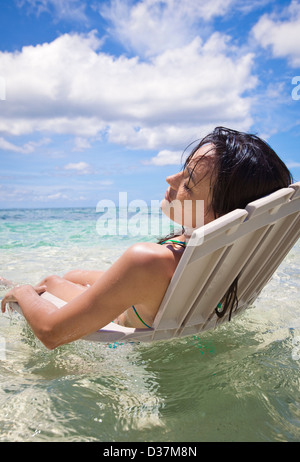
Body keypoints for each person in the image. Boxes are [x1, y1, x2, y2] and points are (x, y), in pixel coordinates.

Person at [1, 127, 292, 349]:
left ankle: (13, 284)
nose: (171, 180)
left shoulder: (149, 260)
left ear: (221, 215)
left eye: (188, 184)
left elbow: (51, 333)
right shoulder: (237, 250)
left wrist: (22, 292)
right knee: (74, 274)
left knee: (51, 281)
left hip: (127, 317)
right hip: (164, 299)